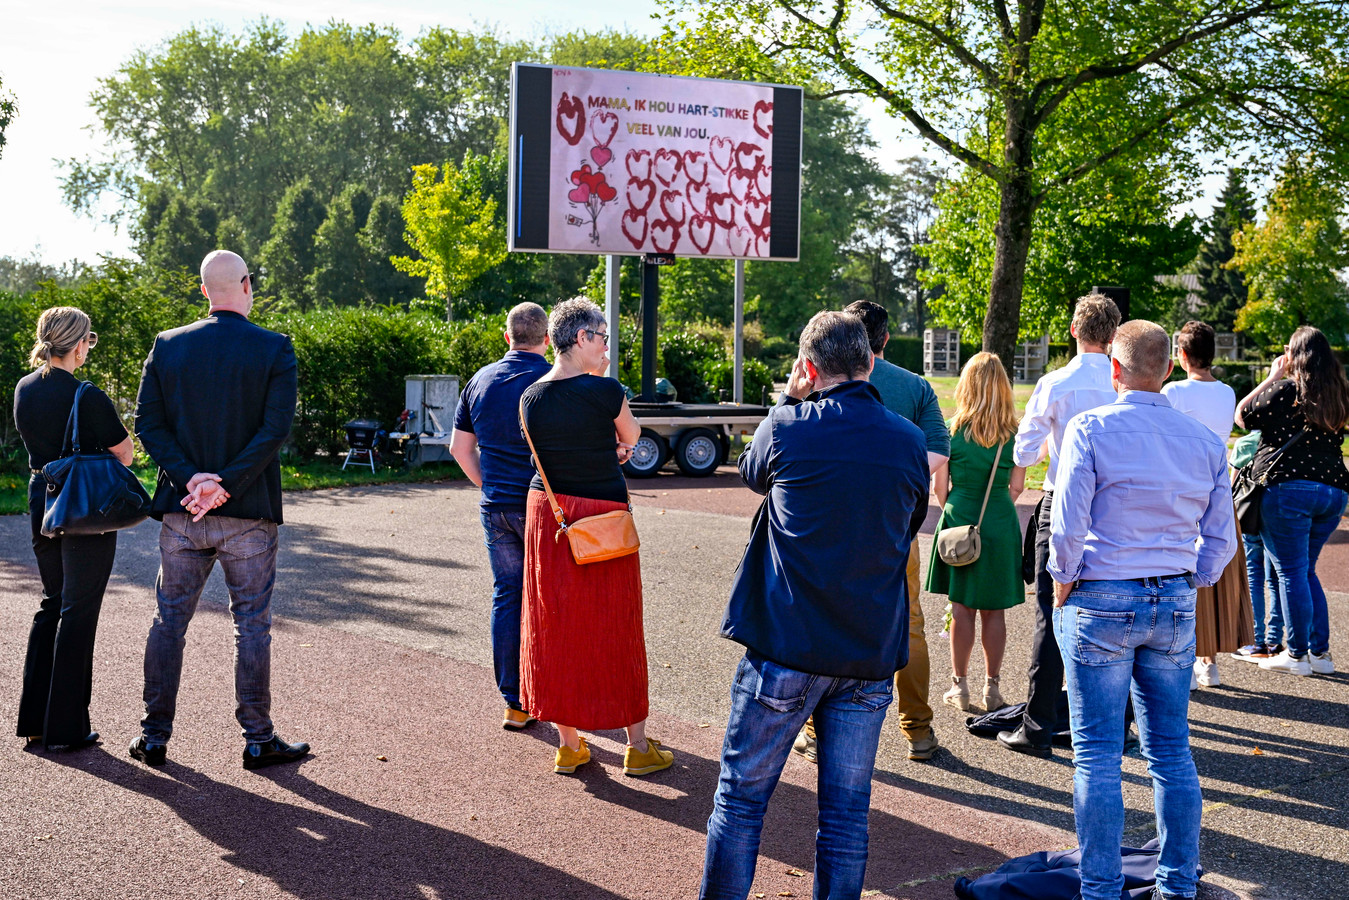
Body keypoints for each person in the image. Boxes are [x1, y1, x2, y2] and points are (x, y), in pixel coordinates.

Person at [700, 311, 930, 900]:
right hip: (868, 650)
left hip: (788, 642)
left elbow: (753, 476)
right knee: (847, 815)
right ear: (871, 361)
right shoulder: (908, 439)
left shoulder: (787, 427)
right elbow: (907, 522)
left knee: (742, 798)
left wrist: (788, 397)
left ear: (809, 368)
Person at [1049, 319, 1234, 900]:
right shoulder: (1204, 439)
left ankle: (1100, 888)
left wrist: (1062, 580)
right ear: (1169, 368)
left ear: (1115, 369)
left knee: (1098, 755)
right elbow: (1220, 537)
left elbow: (1069, 522)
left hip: (1103, 591)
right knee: (1171, 750)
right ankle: (1178, 884)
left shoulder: (1091, 428)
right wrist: (1192, 579)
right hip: (1173, 595)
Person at [130, 250, 308, 770]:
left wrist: (193, 480)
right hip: (247, 510)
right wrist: (225, 485)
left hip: (183, 511)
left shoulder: (167, 346)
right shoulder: (274, 349)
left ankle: (154, 735)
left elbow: (148, 424)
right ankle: (258, 738)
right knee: (251, 625)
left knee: (169, 622)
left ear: (204, 290)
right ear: (247, 285)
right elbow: (274, 430)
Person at [518, 298, 672, 777]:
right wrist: (619, 447)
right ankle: (637, 745)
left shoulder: (530, 396)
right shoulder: (607, 391)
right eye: (603, 337)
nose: (607, 346)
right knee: (616, 625)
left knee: (554, 624)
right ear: (581, 338)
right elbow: (632, 434)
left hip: (550, 515)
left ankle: (569, 745)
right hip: (602, 516)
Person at [999, 292, 1120, 758]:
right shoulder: (1122, 384)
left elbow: (1024, 453)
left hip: (1061, 501)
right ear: (1112, 336)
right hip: (1112, 505)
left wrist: (1053, 443)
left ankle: (1039, 725)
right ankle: (1109, 722)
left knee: (1051, 615)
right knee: (1110, 614)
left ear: (1073, 330)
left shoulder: (1054, 383)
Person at [14, 307, 134, 752]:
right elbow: (125, 455)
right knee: (79, 612)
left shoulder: (24, 388)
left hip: (40, 499)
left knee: (54, 603)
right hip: (83, 507)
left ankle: (36, 720)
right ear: (79, 343)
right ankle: (67, 727)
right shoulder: (89, 395)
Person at [837, 300, 949, 761]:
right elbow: (940, 450)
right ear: (883, 339)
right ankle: (917, 730)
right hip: (896, 523)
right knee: (910, 625)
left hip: (836, 524)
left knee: (833, 619)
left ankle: (817, 728)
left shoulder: (824, 381)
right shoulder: (915, 387)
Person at [450, 302, 552, 730]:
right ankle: (554, 693)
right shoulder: (555, 380)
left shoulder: (480, 380)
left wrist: (486, 485)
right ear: (548, 338)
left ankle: (515, 700)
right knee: (552, 599)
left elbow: (459, 448)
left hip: (497, 508)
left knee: (507, 596)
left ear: (506, 336)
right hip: (545, 506)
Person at [1235, 325, 1349, 677]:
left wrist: (1272, 376)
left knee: (1291, 572)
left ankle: (1297, 655)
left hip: (1288, 490)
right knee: (1306, 570)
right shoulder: (1339, 394)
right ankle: (1320, 654)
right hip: (1334, 491)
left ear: (1295, 355)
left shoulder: (1285, 391)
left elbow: (1242, 416)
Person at [926, 352, 1026, 713]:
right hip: (999, 521)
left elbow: (939, 489)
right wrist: (997, 508)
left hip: (958, 519)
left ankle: (960, 686)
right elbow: (1017, 488)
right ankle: (993, 688)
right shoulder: (1014, 434)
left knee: (961, 607)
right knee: (995, 611)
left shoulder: (951, 431)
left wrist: (955, 508)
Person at [1227, 430, 1287, 661]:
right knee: (1276, 578)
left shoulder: (1246, 442)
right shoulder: (1284, 437)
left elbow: (1232, 483)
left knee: (1254, 577)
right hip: (1278, 513)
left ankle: (1255, 642)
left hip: (1250, 514)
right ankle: (1275, 640)